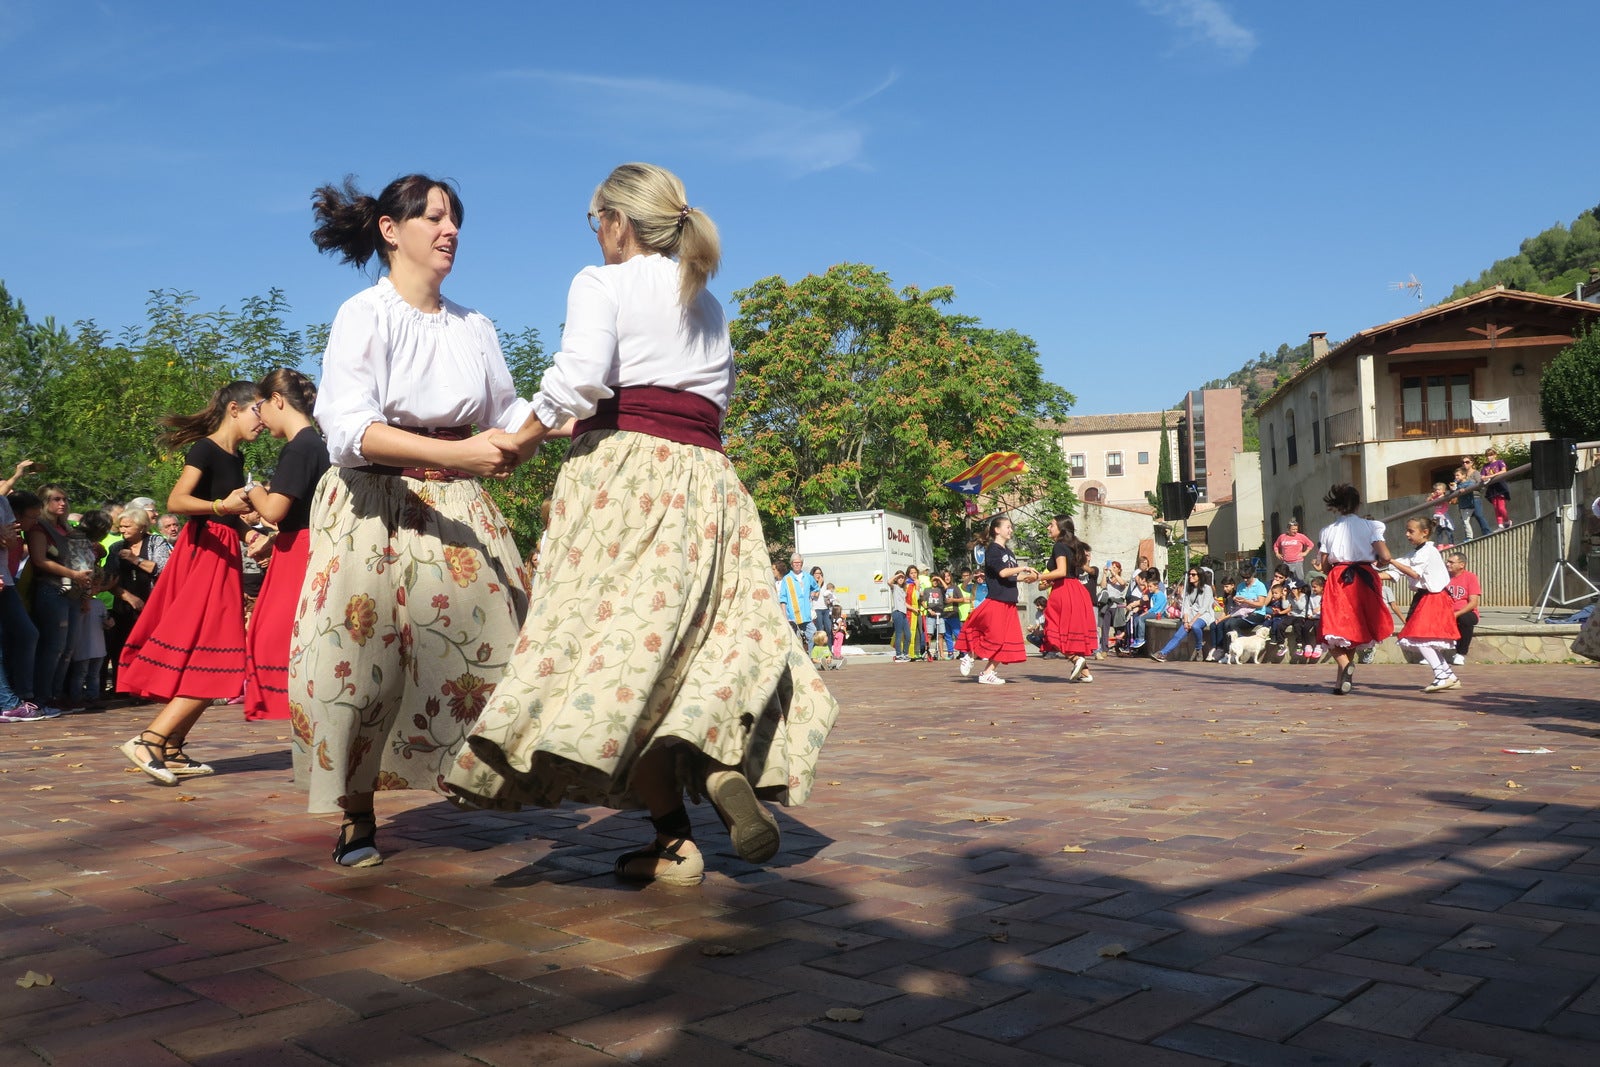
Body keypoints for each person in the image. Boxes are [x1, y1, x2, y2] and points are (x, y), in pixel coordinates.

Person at [443, 163, 839, 887]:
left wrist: (526, 434)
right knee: (680, 655)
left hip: (625, 486)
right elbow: (678, 404)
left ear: (618, 222)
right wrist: (581, 423)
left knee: (608, 656)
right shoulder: (707, 301)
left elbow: (582, 371)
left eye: (596, 220)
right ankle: (709, 787)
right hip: (708, 483)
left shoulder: (602, 282)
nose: (595, 235)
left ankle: (673, 828)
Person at [290, 173, 534, 867]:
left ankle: (487, 770)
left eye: (455, 217)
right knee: (360, 662)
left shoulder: (475, 326)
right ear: (391, 231)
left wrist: (570, 412)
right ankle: (355, 813)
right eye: (434, 216)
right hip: (373, 503)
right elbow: (349, 430)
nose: (450, 228)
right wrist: (458, 451)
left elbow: (508, 415)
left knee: (503, 640)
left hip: (457, 500)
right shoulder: (363, 314)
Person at [119, 381, 264, 781]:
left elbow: (226, 515)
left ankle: (171, 746)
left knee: (219, 649)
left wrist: (249, 531)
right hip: (202, 555)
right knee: (216, 649)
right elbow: (176, 501)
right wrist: (222, 506)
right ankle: (149, 739)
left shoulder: (236, 457)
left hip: (223, 553)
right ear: (235, 408)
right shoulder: (206, 449)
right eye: (259, 411)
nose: (264, 422)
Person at [241, 369, 330, 722]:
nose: (260, 415)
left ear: (277, 400)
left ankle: (292, 706)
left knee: (273, 636)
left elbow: (274, 510)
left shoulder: (299, 448)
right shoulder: (318, 444)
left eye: (261, 405)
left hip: (301, 550)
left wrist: (251, 489)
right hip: (304, 542)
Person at [1315, 483, 1393, 695]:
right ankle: (1341, 682)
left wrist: (1332, 564)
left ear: (1336, 506)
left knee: (1331, 629)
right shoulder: (1371, 527)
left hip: (1339, 579)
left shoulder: (1328, 531)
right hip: (1365, 578)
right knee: (1352, 629)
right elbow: (1385, 556)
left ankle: (1343, 667)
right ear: (1358, 504)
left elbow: (1323, 565)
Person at [27, 484, 95, 710]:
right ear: (44, 503)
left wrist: (84, 592)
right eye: (56, 499)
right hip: (52, 590)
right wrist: (73, 574)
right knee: (54, 646)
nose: (62, 503)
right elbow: (39, 560)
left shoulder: (68, 528)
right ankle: (43, 696)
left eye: (64, 499)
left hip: (74, 593)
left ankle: (57, 693)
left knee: (68, 649)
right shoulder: (40, 528)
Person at [956, 516, 1036, 684]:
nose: (1011, 530)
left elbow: (1013, 575)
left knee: (1006, 641)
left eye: (1011, 527)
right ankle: (970, 656)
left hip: (1009, 601)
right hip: (997, 600)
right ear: (997, 530)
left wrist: (1029, 577)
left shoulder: (1009, 552)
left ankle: (987, 673)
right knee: (994, 637)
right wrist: (1023, 567)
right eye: (1008, 526)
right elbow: (1002, 573)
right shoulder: (993, 550)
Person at [1389, 516, 1460, 692]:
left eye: (1411, 531)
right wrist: (1371, 572)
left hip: (1434, 598)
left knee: (1421, 639)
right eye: (1407, 530)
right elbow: (1395, 572)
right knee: (1423, 639)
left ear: (1425, 532)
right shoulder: (1415, 553)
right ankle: (1449, 675)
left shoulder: (1428, 551)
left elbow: (1413, 573)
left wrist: (1389, 559)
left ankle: (1441, 675)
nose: (1407, 534)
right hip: (1426, 598)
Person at [1038, 515, 1097, 681]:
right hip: (1077, 590)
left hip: (1063, 590)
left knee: (1052, 631)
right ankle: (1085, 673)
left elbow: (1061, 571)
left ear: (1061, 529)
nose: (1048, 528)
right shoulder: (1072, 546)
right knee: (1070, 632)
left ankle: (1076, 659)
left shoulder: (1059, 546)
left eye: (1051, 525)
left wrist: (1038, 576)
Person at [1152, 566, 1214, 662]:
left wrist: (1192, 622)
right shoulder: (1188, 589)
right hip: (1191, 615)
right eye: (1190, 574)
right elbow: (1186, 606)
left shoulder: (1207, 589)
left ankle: (1198, 648)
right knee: (1178, 635)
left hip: (1205, 614)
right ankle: (1163, 653)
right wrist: (1185, 621)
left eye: (1193, 574)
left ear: (1200, 576)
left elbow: (1204, 608)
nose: (1190, 576)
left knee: (1195, 626)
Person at [1444, 552, 1481, 667]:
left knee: (1465, 619)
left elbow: (1473, 602)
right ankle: (1433, 653)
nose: (1447, 564)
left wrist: (1457, 614)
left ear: (1461, 565)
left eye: (1451, 562)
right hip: (1445, 612)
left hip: (1465, 612)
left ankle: (1460, 653)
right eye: (1447, 561)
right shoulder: (1443, 577)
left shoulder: (1470, 577)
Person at [777, 554, 819, 647]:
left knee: (813, 635)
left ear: (802, 564)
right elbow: (783, 599)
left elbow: (816, 588)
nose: (797, 564)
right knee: (796, 642)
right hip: (792, 617)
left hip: (806, 616)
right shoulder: (787, 579)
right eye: (795, 562)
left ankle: (811, 658)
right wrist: (784, 616)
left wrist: (813, 593)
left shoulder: (808, 577)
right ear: (791, 564)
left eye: (799, 562)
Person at [1454, 459, 1490, 540]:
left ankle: (1487, 533)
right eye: (1463, 462)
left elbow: (1479, 484)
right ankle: (1469, 536)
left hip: (1475, 497)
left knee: (1479, 515)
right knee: (1465, 520)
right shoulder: (1458, 479)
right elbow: (1454, 488)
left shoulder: (1475, 473)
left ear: (1472, 463)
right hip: (1464, 500)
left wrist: (1466, 488)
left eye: (1467, 462)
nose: (1465, 464)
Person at [1481, 447, 1511, 530]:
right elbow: (1482, 476)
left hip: (1500, 486)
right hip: (1491, 488)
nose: (1488, 457)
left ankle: (1507, 521)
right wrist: (1484, 477)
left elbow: (1504, 471)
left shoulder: (1499, 462)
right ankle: (1500, 524)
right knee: (1496, 507)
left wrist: (1490, 476)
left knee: (1501, 507)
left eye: (1490, 455)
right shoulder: (1485, 466)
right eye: (1487, 456)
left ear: (1495, 455)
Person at [886, 571, 911, 662]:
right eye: (899, 578)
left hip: (903, 612)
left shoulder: (903, 589)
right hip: (897, 612)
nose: (901, 579)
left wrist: (913, 609)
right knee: (899, 634)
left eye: (902, 578)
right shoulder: (895, 587)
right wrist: (896, 575)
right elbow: (889, 582)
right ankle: (898, 654)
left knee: (908, 635)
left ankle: (905, 653)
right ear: (896, 579)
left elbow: (904, 603)